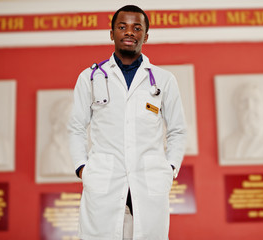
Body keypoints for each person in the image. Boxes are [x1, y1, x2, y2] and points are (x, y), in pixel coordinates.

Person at [68, 5, 187, 240]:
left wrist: (170, 168)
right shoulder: (90, 78)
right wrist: (83, 168)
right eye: (122, 27)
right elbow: (76, 128)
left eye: (137, 27)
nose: (129, 32)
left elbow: (178, 130)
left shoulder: (164, 79)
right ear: (112, 33)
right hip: (104, 180)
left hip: (148, 181)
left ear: (146, 36)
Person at [222, 82, 263, 160]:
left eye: (255, 100)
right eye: (244, 101)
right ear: (236, 108)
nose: (249, 107)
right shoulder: (228, 143)